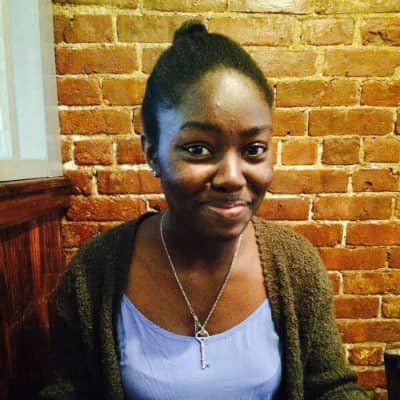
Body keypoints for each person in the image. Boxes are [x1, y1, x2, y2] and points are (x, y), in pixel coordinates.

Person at [41, 20, 369, 400]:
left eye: (253, 150)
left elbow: (330, 387)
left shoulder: (296, 266)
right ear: (152, 153)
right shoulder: (94, 274)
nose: (232, 177)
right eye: (198, 149)